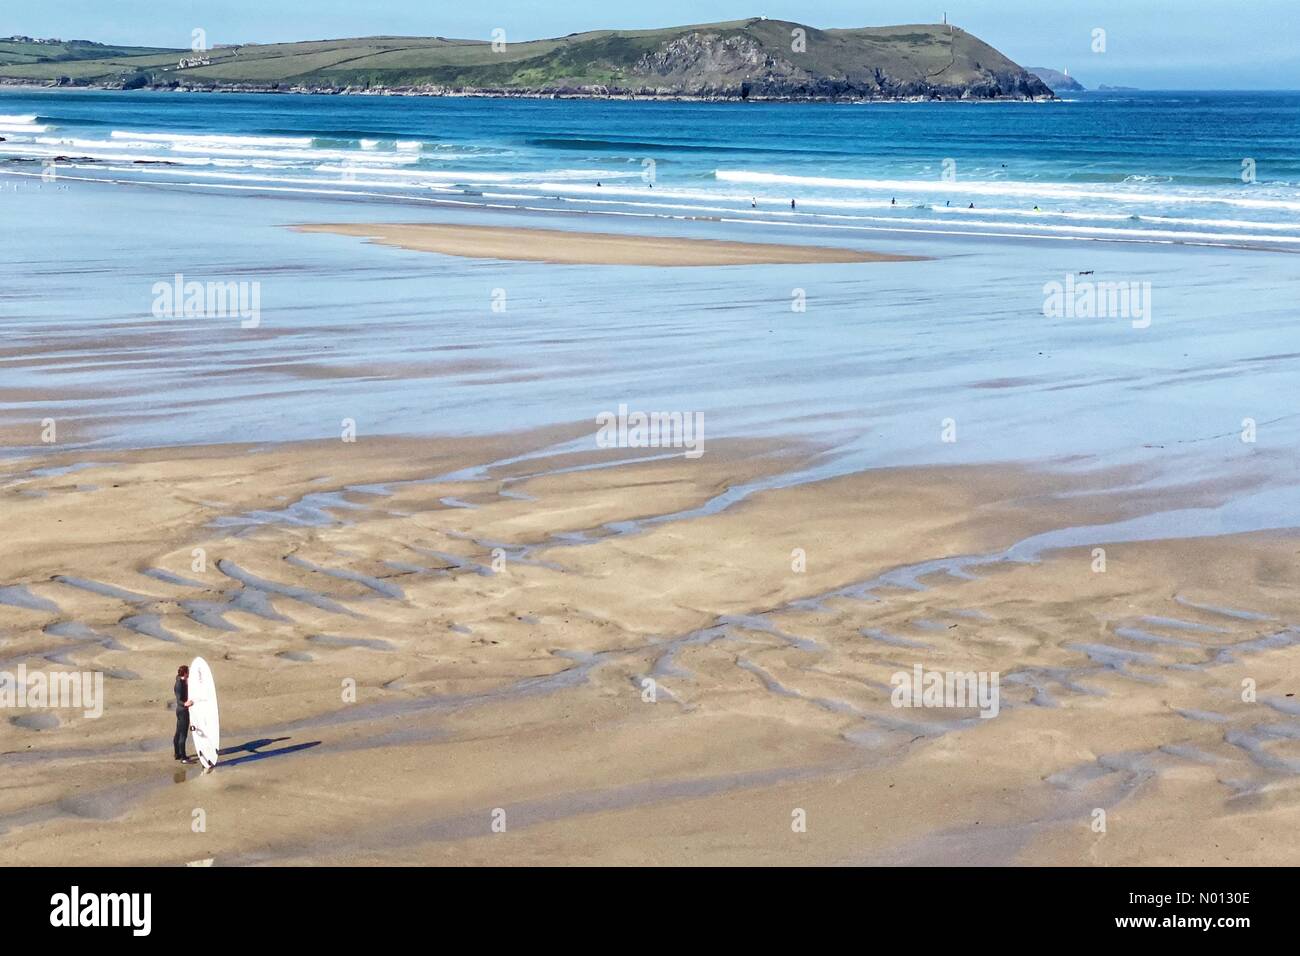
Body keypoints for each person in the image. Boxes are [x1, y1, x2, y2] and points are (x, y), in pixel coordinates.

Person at [173, 664, 193, 761]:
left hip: (180, 711)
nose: (189, 673)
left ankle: (177, 754)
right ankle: (183, 757)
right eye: (188, 672)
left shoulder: (181, 680)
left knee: (178, 732)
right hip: (182, 711)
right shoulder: (179, 684)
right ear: (185, 673)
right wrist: (186, 704)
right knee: (182, 734)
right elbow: (178, 699)